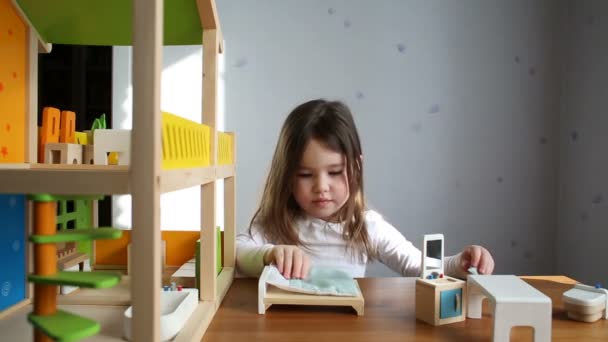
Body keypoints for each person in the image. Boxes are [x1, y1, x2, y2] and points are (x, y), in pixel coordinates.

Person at [236, 99, 494, 280]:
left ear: (357, 167)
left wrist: (459, 263)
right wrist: (269, 254)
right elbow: (235, 251)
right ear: (287, 176)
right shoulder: (278, 223)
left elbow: (418, 265)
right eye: (305, 175)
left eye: (335, 172)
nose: (321, 187)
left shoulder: (366, 226)